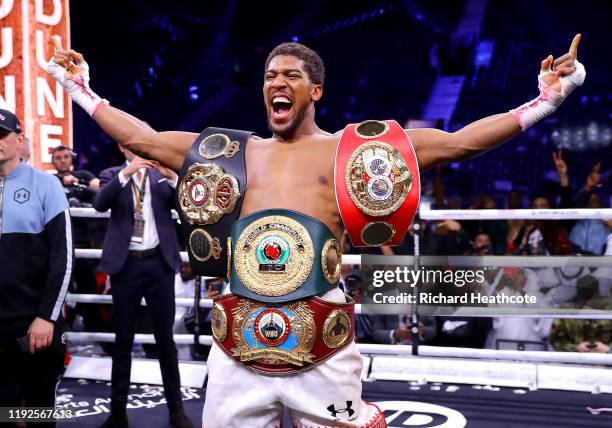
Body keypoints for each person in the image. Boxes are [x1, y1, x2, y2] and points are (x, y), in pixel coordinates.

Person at [47, 33, 585, 427]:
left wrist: (546, 102)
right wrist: (80, 90)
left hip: (320, 342)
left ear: (316, 90)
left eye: (290, 76)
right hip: (238, 343)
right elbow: (142, 138)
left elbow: (460, 142)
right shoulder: (233, 153)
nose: (276, 84)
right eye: (268, 77)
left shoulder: (353, 151)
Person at [92, 146, 191, 428]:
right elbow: (100, 203)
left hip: (158, 265)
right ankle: (118, 412)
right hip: (126, 267)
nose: (135, 147)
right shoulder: (113, 174)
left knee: (165, 340)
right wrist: (128, 171)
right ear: (123, 147)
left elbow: (187, 209)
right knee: (123, 340)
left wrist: (173, 178)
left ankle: (176, 410)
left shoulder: (160, 176)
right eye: (129, 143)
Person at [0, 109, 73, 427]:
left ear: (19, 141)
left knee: (39, 412)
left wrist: (47, 316)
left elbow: (64, 257)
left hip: (34, 324)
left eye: (1, 135)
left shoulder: (46, 185)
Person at [51, 145, 102, 332]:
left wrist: (78, 184)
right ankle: (62, 332)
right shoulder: (49, 181)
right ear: (53, 161)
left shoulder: (84, 175)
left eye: (66, 156)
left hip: (82, 242)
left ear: (71, 158)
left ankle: (97, 332)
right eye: (58, 157)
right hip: (57, 244)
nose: (63, 160)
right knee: (57, 290)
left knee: (88, 288)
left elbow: (102, 191)